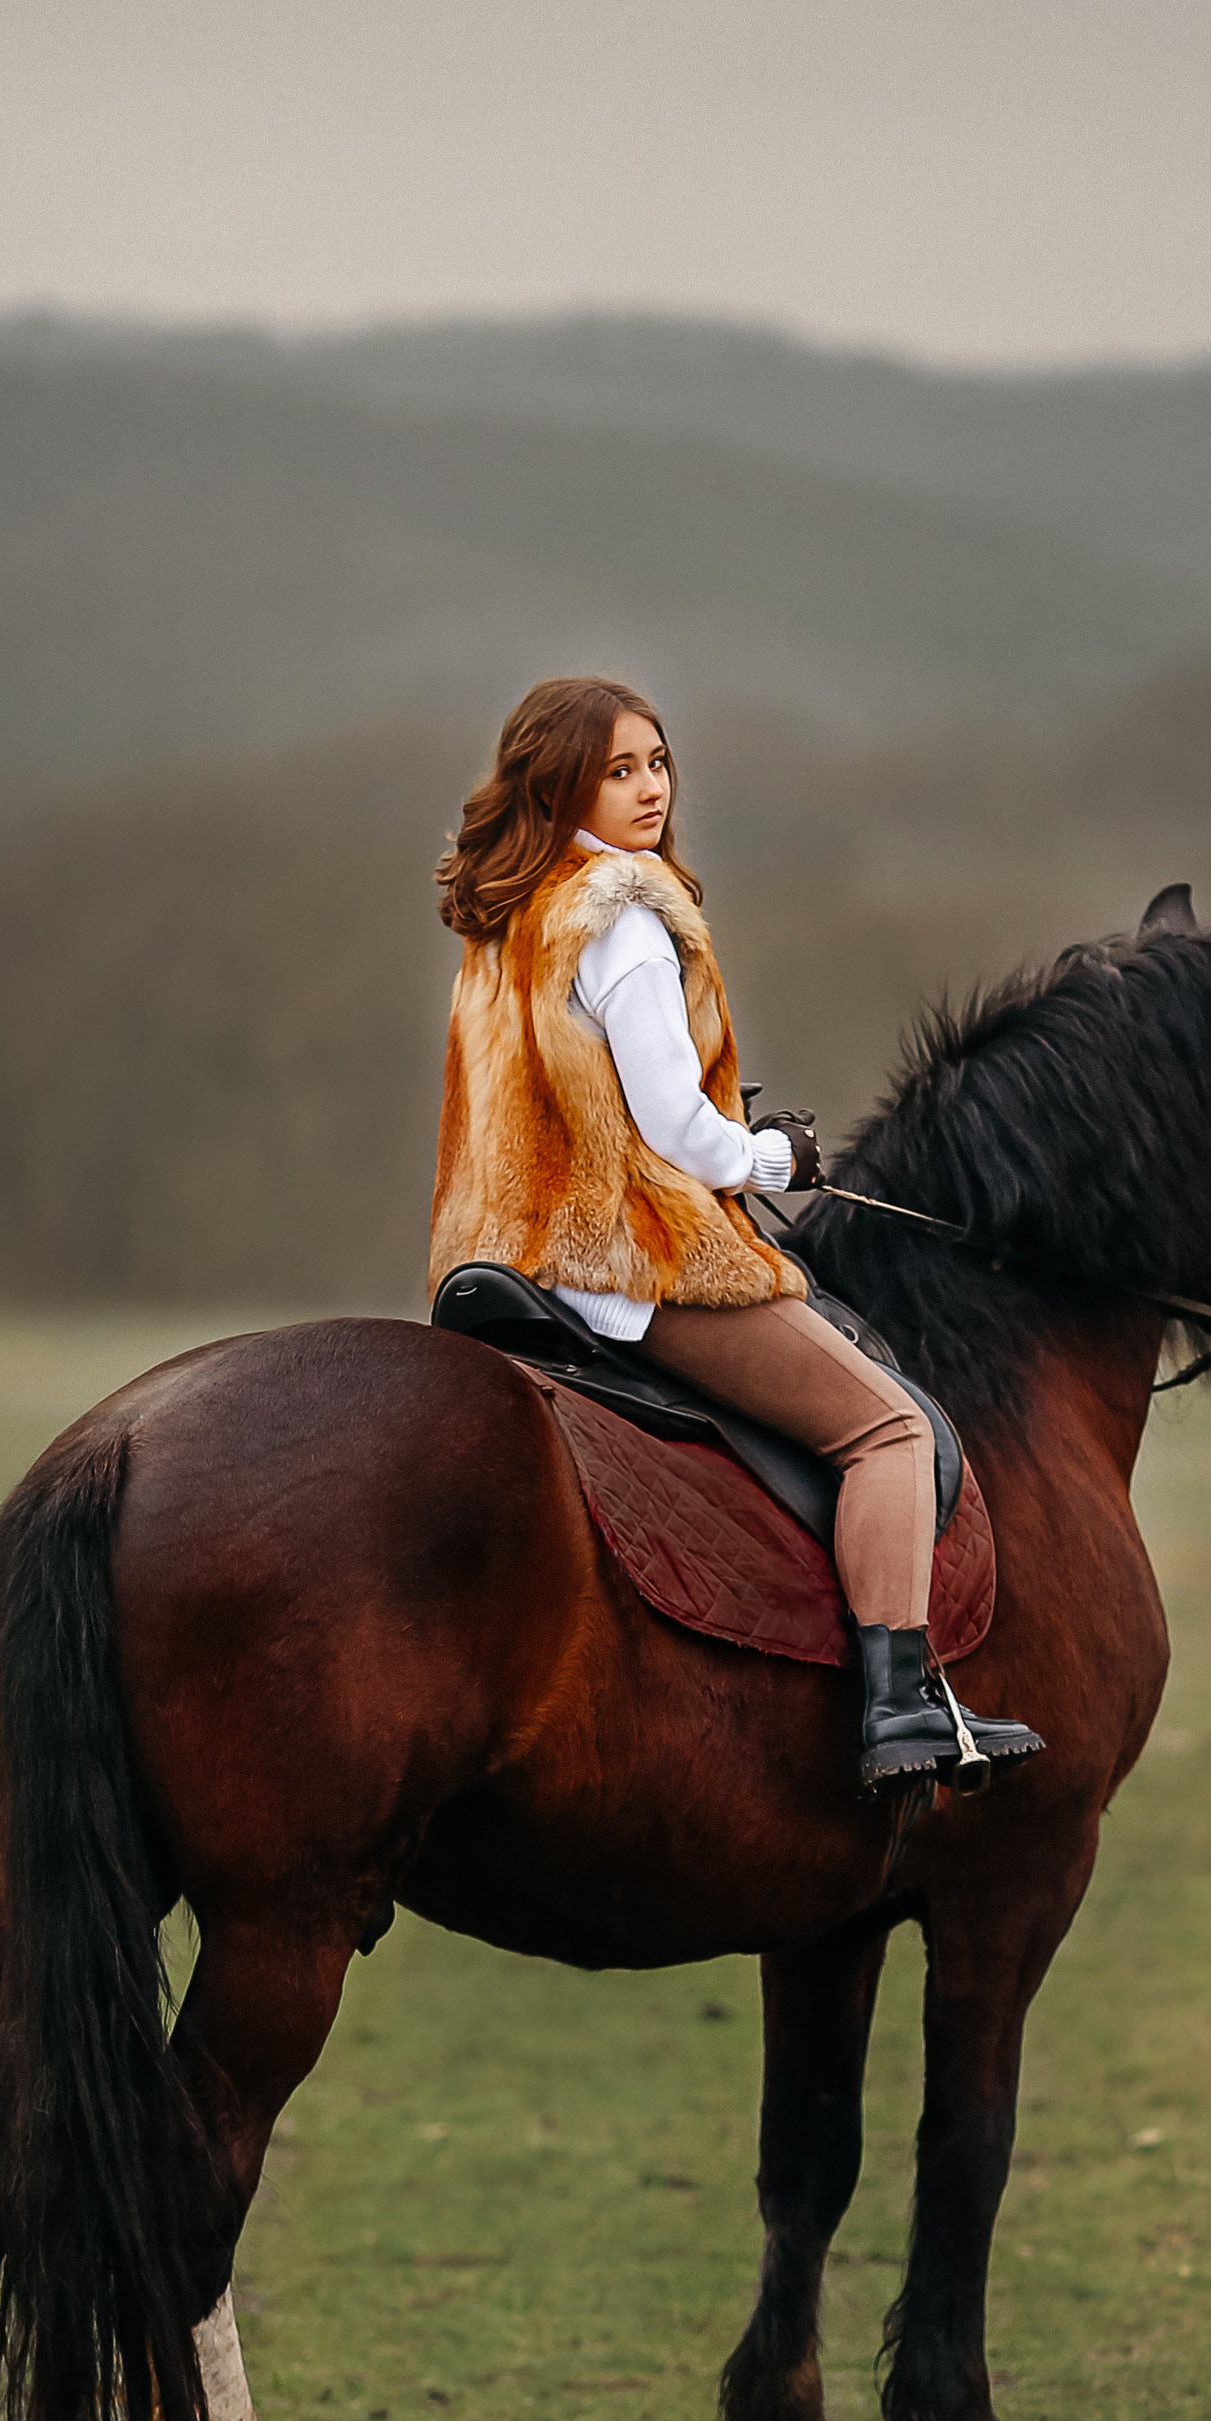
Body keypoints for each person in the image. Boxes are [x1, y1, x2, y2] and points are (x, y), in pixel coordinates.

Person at [429, 674, 1041, 1793]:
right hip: (632, 1262)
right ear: (561, 782)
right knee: (890, 1431)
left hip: (510, 1258)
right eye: (618, 770)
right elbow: (675, 1129)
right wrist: (772, 1161)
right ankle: (902, 1710)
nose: (649, 788)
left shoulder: (508, 914)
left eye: (657, 763)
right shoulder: (621, 913)